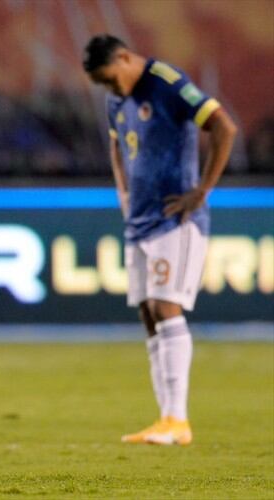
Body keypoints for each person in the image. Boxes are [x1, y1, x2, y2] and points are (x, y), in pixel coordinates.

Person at [83, 35, 237, 445]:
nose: (110, 88)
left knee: (165, 305)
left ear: (125, 57)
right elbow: (118, 148)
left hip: (176, 217)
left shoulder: (166, 81)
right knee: (149, 312)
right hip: (141, 220)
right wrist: (124, 195)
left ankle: (178, 419)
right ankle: (166, 419)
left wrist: (202, 190)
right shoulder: (116, 99)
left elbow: (223, 125)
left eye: (110, 77)